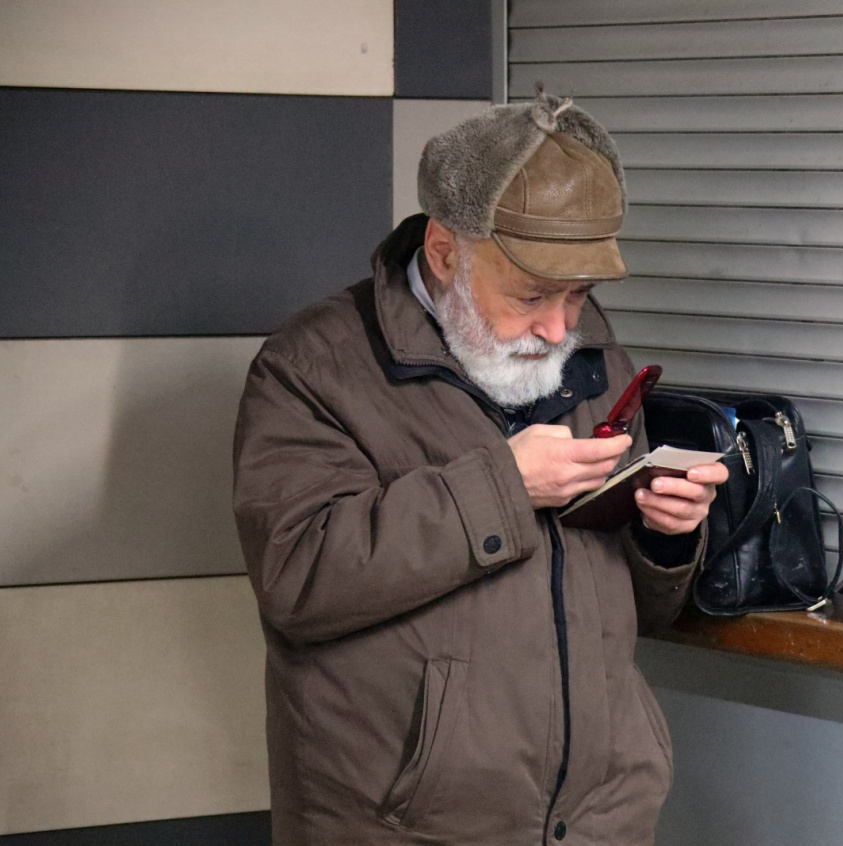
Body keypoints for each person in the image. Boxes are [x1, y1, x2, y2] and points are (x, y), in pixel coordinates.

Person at [232, 91, 728, 846]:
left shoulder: (590, 354)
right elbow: (299, 577)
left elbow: (627, 609)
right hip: (410, 828)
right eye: (531, 294)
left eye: (578, 294)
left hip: (600, 824)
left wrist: (665, 534)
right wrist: (505, 485)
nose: (558, 328)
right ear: (443, 252)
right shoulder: (313, 367)